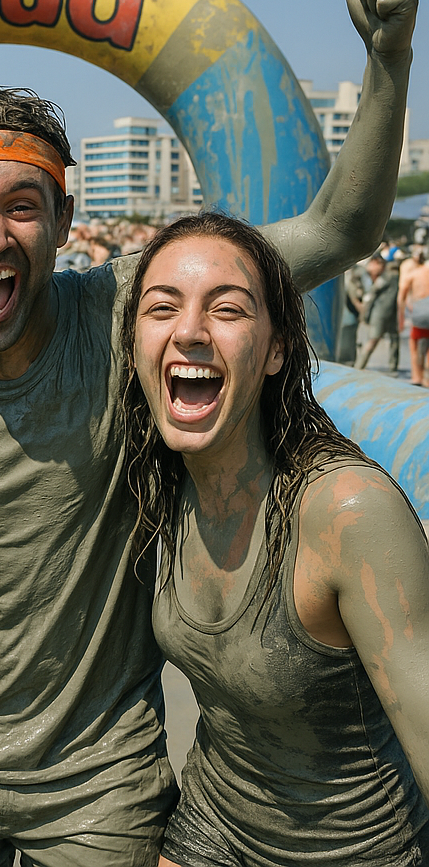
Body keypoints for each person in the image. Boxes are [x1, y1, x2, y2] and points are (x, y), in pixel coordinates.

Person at [0, 0, 418, 866]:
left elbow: (341, 230)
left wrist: (388, 59)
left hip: (102, 769)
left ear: (64, 222)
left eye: (23, 207)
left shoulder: (133, 311)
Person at [122, 211, 429, 866]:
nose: (190, 331)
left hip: (359, 848)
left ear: (278, 348)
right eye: (162, 307)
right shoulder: (154, 484)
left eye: (227, 310)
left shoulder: (348, 512)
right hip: (211, 826)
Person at [355, 252, 400, 371]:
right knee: (374, 340)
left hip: (385, 313)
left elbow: (372, 295)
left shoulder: (388, 276)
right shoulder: (388, 276)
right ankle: (359, 367)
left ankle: (360, 367)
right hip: (382, 314)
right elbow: (372, 295)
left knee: (391, 339)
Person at [399, 246, 429, 384]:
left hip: (420, 313)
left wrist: (400, 319)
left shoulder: (412, 274)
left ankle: (417, 376)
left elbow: (401, 298)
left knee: (415, 343)